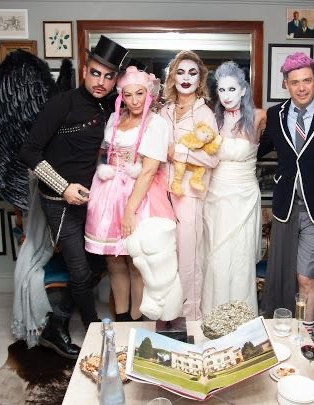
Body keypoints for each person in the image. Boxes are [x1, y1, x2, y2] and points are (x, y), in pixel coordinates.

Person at [20, 35, 128, 358]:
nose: (101, 82)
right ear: (84, 71)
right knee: (79, 271)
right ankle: (98, 335)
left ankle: (56, 325)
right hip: (59, 202)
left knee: (95, 264)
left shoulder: (109, 105)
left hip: (92, 202)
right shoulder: (62, 103)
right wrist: (63, 187)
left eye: (109, 76)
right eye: (95, 73)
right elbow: (28, 152)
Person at [258, 52, 314, 331]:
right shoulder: (275, 115)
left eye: (307, 80)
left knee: (306, 277)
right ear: (286, 84)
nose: (302, 87)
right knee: (284, 274)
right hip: (286, 207)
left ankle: (305, 334)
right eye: (295, 82)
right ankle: (283, 327)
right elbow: (258, 149)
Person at [84, 67, 173, 322]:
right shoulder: (115, 118)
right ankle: (121, 320)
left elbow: (149, 171)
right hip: (108, 193)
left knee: (136, 260)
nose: (134, 101)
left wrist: (129, 211)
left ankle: (135, 322)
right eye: (128, 95)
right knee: (114, 261)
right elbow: (102, 152)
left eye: (140, 94)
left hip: (137, 195)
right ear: (121, 96)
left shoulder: (156, 124)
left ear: (149, 94)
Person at [201, 61, 265, 316]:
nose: (226, 96)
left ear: (243, 90)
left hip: (245, 198)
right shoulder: (211, 120)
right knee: (216, 257)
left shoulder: (259, 117)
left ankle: (240, 317)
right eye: (221, 89)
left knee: (240, 258)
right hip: (216, 196)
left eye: (232, 89)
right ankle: (214, 315)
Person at [160, 50, 220, 320]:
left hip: (189, 195)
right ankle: (169, 314)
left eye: (192, 73)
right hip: (162, 192)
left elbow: (213, 158)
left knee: (188, 258)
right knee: (167, 256)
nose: (186, 78)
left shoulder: (204, 113)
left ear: (200, 79)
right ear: (172, 76)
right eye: (180, 72)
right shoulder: (165, 111)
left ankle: (191, 317)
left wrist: (180, 153)